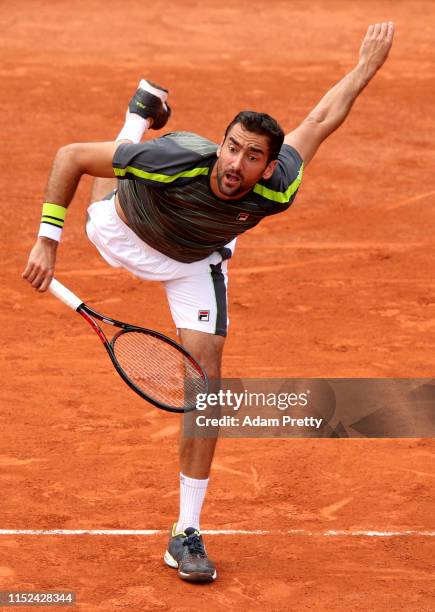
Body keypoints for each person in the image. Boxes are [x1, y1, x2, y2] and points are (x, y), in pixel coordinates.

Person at [23, 22, 395, 582]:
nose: (235, 164)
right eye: (232, 148)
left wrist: (365, 67)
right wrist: (47, 242)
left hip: (194, 261)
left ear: (269, 166)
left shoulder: (279, 186)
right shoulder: (179, 159)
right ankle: (137, 119)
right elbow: (70, 156)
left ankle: (186, 531)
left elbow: (318, 121)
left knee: (208, 385)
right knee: (114, 171)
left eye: (251, 157)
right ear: (218, 145)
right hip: (124, 230)